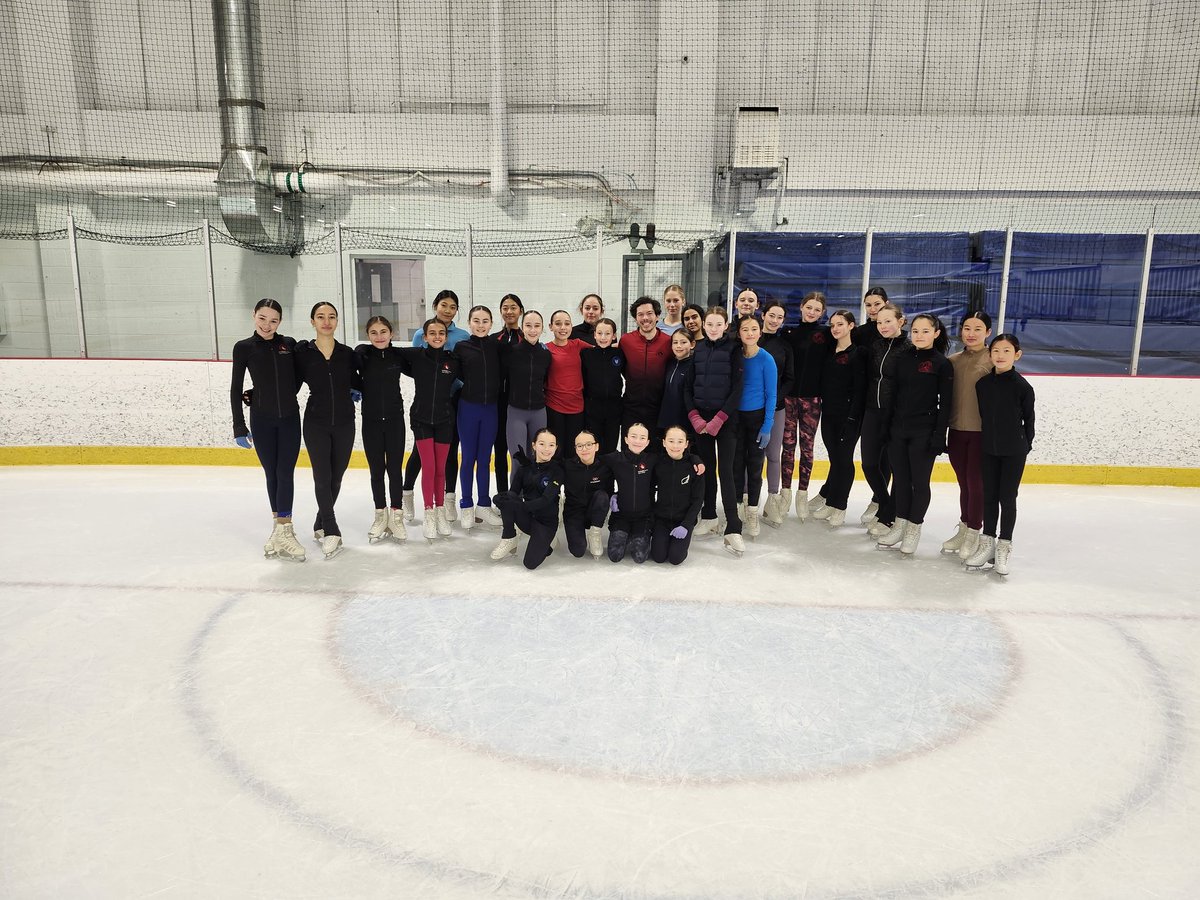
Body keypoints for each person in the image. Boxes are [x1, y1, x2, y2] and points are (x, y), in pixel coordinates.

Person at [230, 298, 305, 561]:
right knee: (271, 473)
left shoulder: (290, 345)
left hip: (289, 419)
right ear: (254, 316)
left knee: (285, 472)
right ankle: (279, 528)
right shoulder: (243, 348)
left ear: (280, 322)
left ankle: (286, 528)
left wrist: (275, 393)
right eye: (262, 318)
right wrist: (239, 425)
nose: (267, 324)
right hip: (261, 420)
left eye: (273, 320)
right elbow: (235, 387)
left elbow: (296, 380)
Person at [876, 313, 953, 555]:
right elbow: (894, 395)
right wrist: (887, 428)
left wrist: (940, 435)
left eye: (925, 331)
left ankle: (913, 528)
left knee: (919, 483)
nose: (919, 336)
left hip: (924, 431)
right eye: (916, 331)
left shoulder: (942, 364)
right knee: (900, 481)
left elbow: (947, 404)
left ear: (936, 333)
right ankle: (900, 524)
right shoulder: (903, 358)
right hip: (898, 430)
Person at [964, 334, 1035, 576]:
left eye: (1006, 351)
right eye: (995, 351)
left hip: (1014, 451)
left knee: (1007, 497)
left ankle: (1004, 546)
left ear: (1017, 355)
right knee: (989, 496)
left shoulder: (1022, 387)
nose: (1000, 355)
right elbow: (985, 416)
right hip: (989, 449)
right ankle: (987, 544)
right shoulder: (982, 385)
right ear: (990, 354)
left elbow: (1029, 421)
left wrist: (1024, 445)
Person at [294, 301, 359, 560]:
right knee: (322, 477)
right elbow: (290, 385)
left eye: (332, 316)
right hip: (316, 423)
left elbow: (359, 380)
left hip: (345, 422)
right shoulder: (304, 353)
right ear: (312, 321)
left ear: (337, 321)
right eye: (320, 317)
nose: (326, 321)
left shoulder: (347, 353)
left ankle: (320, 522)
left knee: (336, 477)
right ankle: (331, 529)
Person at [401, 289, 469, 524]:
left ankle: (447, 500)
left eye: (452, 307)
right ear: (435, 306)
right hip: (426, 403)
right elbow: (417, 365)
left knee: (450, 451)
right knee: (420, 454)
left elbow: (465, 367)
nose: (448, 310)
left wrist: (453, 383)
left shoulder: (463, 335)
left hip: (453, 401)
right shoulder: (422, 333)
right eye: (443, 305)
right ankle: (407, 493)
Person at [395, 318, 462, 541]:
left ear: (446, 336)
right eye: (431, 333)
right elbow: (390, 352)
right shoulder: (415, 356)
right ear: (424, 337)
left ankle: (441, 510)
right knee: (429, 466)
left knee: (441, 468)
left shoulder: (452, 361)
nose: (436, 336)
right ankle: (429, 512)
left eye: (440, 333)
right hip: (421, 419)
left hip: (445, 419)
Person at [686, 306, 745, 556]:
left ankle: (733, 526)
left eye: (717, 324)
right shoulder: (696, 350)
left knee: (727, 472)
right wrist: (695, 417)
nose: (712, 328)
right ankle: (709, 515)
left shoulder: (734, 350)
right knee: (705, 469)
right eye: (709, 324)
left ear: (725, 325)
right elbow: (688, 388)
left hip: (726, 421)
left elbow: (737, 388)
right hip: (701, 421)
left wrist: (720, 418)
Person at [942, 311, 994, 560]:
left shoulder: (993, 360)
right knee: (964, 483)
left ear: (988, 333)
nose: (971, 333)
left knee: (976, 484)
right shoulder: (953, 361)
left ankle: (975, 530)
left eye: (977, 328)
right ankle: (965, 526)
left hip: (981, 434)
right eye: (966, 328)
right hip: (957, 432)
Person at [355, 315, 408, 544]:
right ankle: (380, 514)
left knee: (395, 470)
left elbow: (424, 365)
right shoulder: (363, 355)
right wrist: (354, 387)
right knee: (377, 471)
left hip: (395, 420)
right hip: (372, 421)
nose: (379, 336)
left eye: (383, 331)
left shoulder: (399, 355)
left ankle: (396, 515)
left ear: (392, 333)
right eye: (374, 332)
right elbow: (344, 370)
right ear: (368, 335)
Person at [812, 310, 867, 528]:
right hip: (829, 414)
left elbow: (860, 389)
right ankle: (830, 500)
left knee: (844, 460)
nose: (835, 328)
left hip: (849, 416)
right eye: (833, 324)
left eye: (840, 324)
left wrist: (853, 418)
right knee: (835, 458)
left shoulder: (858, 353)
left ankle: (840, 506)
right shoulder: (829, 350)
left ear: (851, 325)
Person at [781, 291, 831, 519]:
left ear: (822, 313)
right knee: (788, 446)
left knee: (807, 448)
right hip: (789, 399)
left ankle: (803, 494)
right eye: (809, 307)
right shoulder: (788, 333)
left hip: (812, 401)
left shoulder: (826, 335)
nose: (812, 312)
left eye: (817, 310)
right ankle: (785, 494)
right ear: (801, 307)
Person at [454, 305, 503, 531]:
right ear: (469, 323)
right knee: (468, 459)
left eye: (485, 321)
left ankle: (483, 504)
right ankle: (466, 505)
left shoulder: (497, 346)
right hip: (468, 409)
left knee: (485, 459)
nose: (480, 325)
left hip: (490, 409)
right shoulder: (461, 347)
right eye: (476, 320)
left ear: (491, 323)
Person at [862, 304, 909, 536]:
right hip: (872, 411)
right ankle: (886, 503)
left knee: (896, 467)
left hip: (896, 416)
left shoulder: (909, 348)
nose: (883, 326)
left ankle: (889, 515)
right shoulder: (876, 346)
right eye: (880, 322)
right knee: (869, 464)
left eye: (888, 321)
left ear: (901, 321)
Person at [490, 428, 564, 570]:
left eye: (551, 445)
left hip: (546, 523)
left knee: (529, 564)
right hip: (528, 518)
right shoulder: (524, 470)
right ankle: (509, 537)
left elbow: (545, 500)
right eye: (542, 444)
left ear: (556, 448)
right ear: (534, 445)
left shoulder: (558, 471)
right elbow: (512, 494)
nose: (547, 449)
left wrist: (519, 507)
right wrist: (500, 501)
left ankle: (547, 542)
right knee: (505, 498)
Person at [731, 315, 777, 539]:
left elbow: (772, 394)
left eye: (754, 329)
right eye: (745, 329)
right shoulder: (735, 356)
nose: (749, 333)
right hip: (735, 418)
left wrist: (767, 425)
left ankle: (752, 511)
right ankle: (739, 506)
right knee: (736, 465)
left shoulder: (766, 359)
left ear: (760, 332)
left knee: (755, 467)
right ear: (739, 333)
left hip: (757, 418)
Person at [757, 301, 795, 527]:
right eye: (771, 315)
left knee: (773, 454)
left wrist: (774, 400)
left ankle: (772, 501)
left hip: (776, 408)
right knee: (751, 457)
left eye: (779, 317)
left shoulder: (784, 346)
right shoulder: (750, 339)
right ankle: (746, 501)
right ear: (763, 315)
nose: (774, 320)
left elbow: (790, 378)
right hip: (750, 408)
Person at [505, 310, 552, 486]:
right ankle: (515, 500)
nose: (532, 330)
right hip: (516, 412)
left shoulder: (545, 354)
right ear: (522, 328)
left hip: (539, 412)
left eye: (537, 326)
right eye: (528, 325)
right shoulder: (512, 352)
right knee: (518, 459)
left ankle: (535, 500)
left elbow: (546, 380)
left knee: (538, 458)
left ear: (542, 328)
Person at [618, 296, 673, 442]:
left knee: (655, 452)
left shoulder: (669, 342)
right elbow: (622, 368)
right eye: (640, 314)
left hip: (658, 408)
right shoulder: (626, 341)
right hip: (631, 407)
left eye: (649, 313)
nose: (645, 318)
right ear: (635, 319)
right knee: (630, 450)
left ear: (657, 316)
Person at [650, 425, 707, 565]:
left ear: (686, 444)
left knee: (676, 558)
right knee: (658, 557)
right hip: (661, 520)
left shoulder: (694, 468)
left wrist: (686, 525)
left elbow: (698, 500)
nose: (675, 445)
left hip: (683, 521)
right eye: (671, 441)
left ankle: (680, 540)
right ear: (664, 442)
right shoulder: (657, 464)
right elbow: (647, 488)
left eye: (680, 441)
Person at [602, 423, 657, 563]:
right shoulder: (616, 459)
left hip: (643, 517)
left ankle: (637, 535)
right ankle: (625, 533)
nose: (637, 441)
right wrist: (611, 495)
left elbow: (677, 460)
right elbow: (593, 461)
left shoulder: (652, 460)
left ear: (648, 442)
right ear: (626, 439)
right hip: (621, 515)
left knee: (640, 557)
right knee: (615, 556)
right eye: (633, 436)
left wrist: (695, 460)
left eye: (642, 437)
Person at [545, 310, 591, 455]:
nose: (563, 327)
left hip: (577, 407)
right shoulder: (545, 348)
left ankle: (572, 478)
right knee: (557, 451)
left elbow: (600, 351)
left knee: (573, 451)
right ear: (550, 326)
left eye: (567, 323)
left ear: (571, 326)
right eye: (558, 324)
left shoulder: (578, 344)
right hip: (554, 406)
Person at [561, 430, 613, 559]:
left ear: (596, 446)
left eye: (589, 444)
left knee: (602, 496)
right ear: (576, 449)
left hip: (594, 511)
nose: (584, 449)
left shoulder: (605, 466)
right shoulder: (567, 466)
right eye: (580, 446)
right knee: (578, 551)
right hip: (574, 512)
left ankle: (595, 533)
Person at [492, 293, 524, 497]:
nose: (509, 311)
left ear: (520, 310)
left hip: (520, 405)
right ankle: (503, 495)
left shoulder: (527, 338)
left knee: (520, 453)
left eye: (513, 307)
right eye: (505, 307)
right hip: (497, 403)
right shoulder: (493, 339)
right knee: (500, 451)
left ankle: (519, 492)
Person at [580, 317, 625, 455]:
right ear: (594, 335)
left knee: (610, 448)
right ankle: (594, 476)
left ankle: (609, 476)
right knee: (594, 447)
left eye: (607, 333)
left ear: (614, 336)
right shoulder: (586, 354)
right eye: (599, 333)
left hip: (614, 409)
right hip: (593, 409)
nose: (603, 337)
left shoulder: (619, 354)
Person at [657, 328, 695, 434]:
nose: (679, 346)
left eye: (683, 342)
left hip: (685, 421)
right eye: (675, 342)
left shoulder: (694, 365)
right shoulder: (669, 363)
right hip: (666, 418)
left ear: (692, 344)